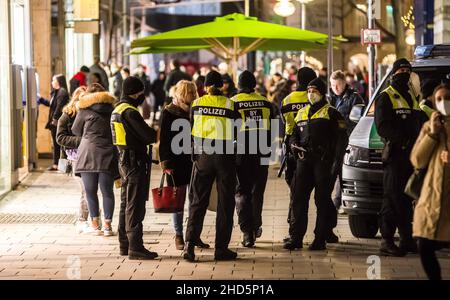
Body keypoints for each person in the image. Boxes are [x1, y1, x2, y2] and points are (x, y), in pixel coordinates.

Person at [284, 78, 348, 250]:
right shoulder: (302, 112)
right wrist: (293, 144)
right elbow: (293, 134)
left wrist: (337, 162)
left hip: (323, 163)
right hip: (304, 162)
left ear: (322, 93)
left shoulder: (332, 113)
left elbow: (342, 139)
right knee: (298, 199)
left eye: (315, 91)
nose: (311, 94)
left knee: (322, 200)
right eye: (309, 91)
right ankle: (295, 238)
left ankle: (320, 238)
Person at [183, 71, 239, 262]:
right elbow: (237, 130)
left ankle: (189, 245)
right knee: (225, 203)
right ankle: (221, 249)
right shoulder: (230, 104)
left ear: (206, 87)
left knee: (198, 201)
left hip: (203, 155)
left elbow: (191, 128)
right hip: (224, 156)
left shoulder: (196, 104)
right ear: (221, 86)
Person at [374, 58, 427, 256]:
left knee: (406, 198)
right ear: (394, 73)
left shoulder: (412, 96)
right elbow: (382, 126)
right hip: (396, 155)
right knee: (392, 197)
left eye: (407, 70)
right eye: (401, 69)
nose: (404, 72)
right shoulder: (386, 96)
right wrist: (403, 140)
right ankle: (386, 241)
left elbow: (420, 121)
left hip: (411, 156)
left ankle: (406, 239)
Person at [111, 76, 158, 260]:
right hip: (134, 162)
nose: (143, 96)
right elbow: (149, 136)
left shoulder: (117, 109)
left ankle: (124, 244)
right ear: (135, 93)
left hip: (123, 161)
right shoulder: (130, 112)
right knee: (135, 204)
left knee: (125, 203)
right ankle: (136, 247)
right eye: (141, 92)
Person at [159, 80, 209, 251]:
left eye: (194, 92)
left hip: (195, 160)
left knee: (195, 200)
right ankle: (179, 235)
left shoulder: (197, 111)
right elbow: (164, 139)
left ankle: (193, 235)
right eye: (190, 93)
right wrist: (165, 162)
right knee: (177, 201)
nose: (194, 95)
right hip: (176, 162)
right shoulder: (169, 112)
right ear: (181, 93)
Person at [410, 83, 450, 280]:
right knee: (424, 246)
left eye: (447, 98)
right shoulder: (429, 126)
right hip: (432, 198)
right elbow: (417, 159)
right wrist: (433, 134)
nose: (443, 103)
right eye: (439, 99)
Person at [232, 70, 274, 247]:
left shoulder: (232, 102)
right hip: (262, 151)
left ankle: (247, 232)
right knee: (258, 192)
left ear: (238, 85)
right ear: (254, 85)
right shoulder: (266, 102)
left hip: (240, 153)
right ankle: (255, 226)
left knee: (242, 192)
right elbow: (272, 128)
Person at [72, 83, 119, 237]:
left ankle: (95, 225)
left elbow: (75, 130)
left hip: (88, 154)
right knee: (107, 191)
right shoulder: (112, 110)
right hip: (108, 153)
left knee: (90, 192)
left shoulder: (84, 111)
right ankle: (108, 225)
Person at [329, 70, 364, 210]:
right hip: (335, 140)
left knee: (341, 169)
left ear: (344, 83)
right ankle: (338, 200)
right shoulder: (332, 98)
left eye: (337, 85)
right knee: (337, 169)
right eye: (332, 85)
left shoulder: (355, 98)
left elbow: (356, 120)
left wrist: (339, 123)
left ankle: (337, 201)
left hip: (349, 138)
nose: (335, 88)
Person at [56, 86, 89, 233]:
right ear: (75, 99)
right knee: (85, 190)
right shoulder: (66, 116)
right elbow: (60, 138)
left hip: (90, 155)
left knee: (90, 190)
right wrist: (81, 141)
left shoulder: (88, 114)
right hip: (75, 157)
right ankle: (83, 219)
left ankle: (91, 218)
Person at [39, 74, 70, 171]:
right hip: (55, 121)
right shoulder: (56, 92)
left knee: (57, 144)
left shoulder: (62, 92)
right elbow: (52, 105)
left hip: (57, 122)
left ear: (58, 82)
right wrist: (41, 100)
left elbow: (59, 107)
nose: (52, 82)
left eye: (53, 80)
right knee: (56, 143)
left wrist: (55, 119)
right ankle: (57, 164)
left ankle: (58, 164)